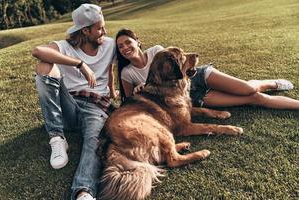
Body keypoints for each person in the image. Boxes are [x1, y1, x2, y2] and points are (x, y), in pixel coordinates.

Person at [32, 4, 116, 200]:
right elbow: (37, 51)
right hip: (68, 106)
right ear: (85, 31)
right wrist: (80, 64)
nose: (105, 31)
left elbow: (131, 59)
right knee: (44, 66)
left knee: (94, 141)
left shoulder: (110, 44)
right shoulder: (65, 47)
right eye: (100, 28)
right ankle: (57, 138)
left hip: (96, 107)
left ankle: (83, 192)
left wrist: (113, 90)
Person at [115, 28, 299, 109]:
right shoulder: (127, 72)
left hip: (198, 76)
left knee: (249, 89)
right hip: (190, 96)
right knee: (253, 98)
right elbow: (132, 100)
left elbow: (181, 61)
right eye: (120, 46)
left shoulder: (156, 50)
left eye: (127, 42)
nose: (124, 48)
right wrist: (140, 89)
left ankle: (271, 83)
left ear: (137, 41)